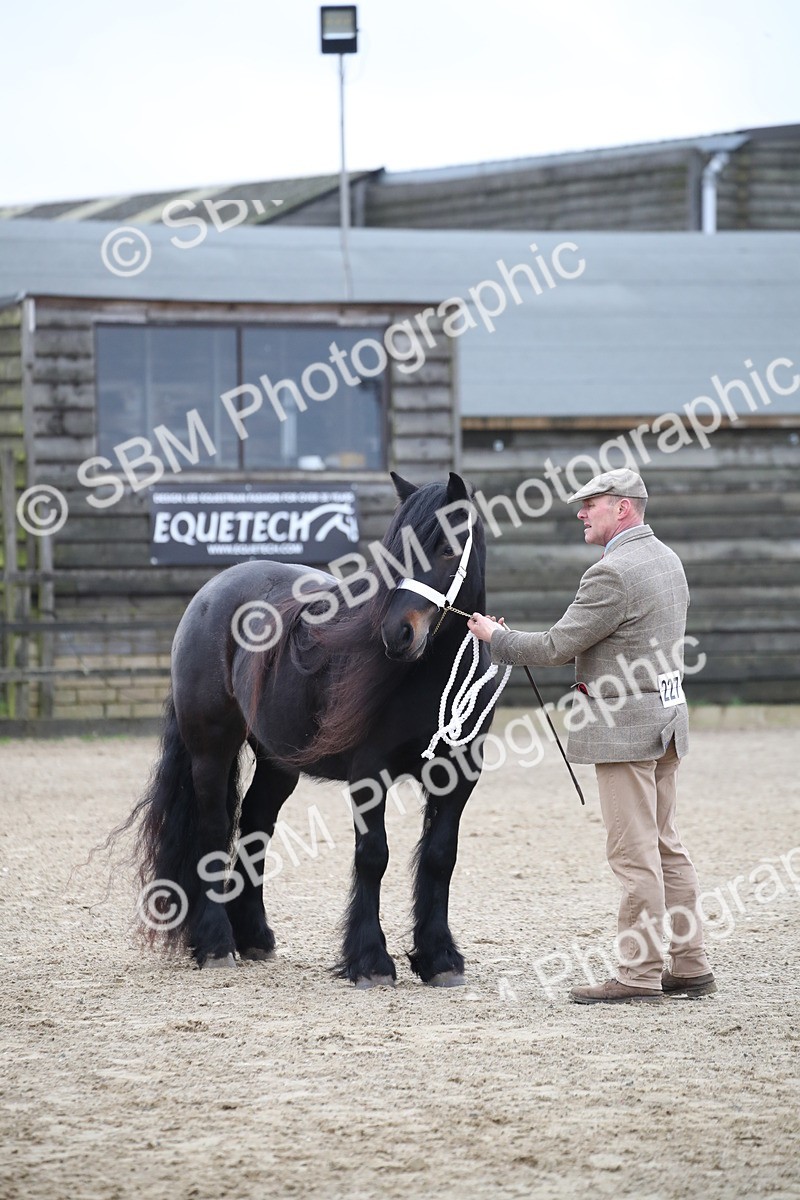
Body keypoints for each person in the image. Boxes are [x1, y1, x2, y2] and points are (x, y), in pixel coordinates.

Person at [468, 468, 716, 1005]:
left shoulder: (612, 573)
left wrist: (497, 637)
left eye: (591, 504)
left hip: (626, 731)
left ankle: (639, 973)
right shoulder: (667, 560)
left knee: (634, 857)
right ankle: (690, 963)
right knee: (667, 847)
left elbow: (558, 645)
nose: (580, 512)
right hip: (667, 720)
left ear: (622, 508)